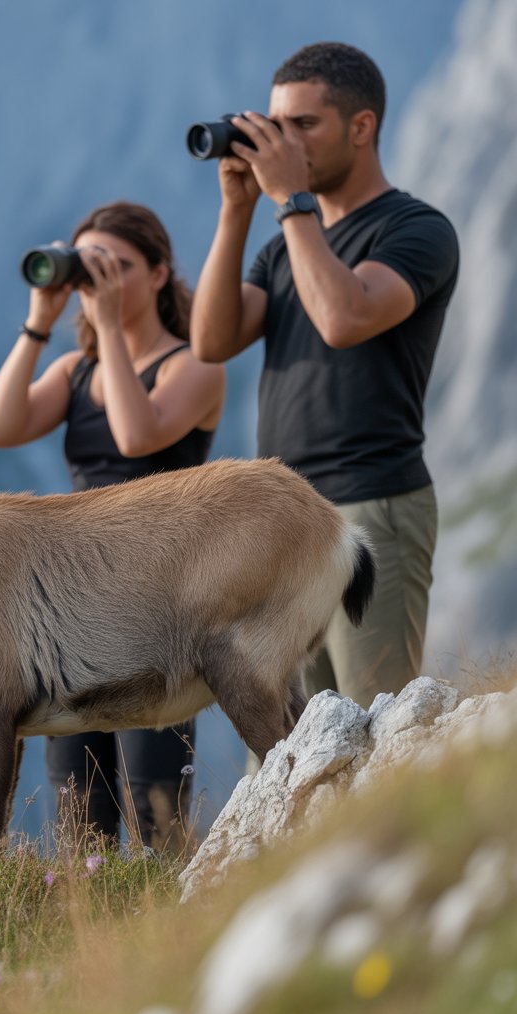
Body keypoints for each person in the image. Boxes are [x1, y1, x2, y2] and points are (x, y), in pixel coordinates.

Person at [190, 42, 460, 712]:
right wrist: (237, 208)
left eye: (304, 125)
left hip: (373, 507)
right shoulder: (284, 244)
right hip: (282, 523)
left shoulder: (417, 229)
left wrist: (289, 198)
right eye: (275, 127)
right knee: (283, 745)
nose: (284, 143)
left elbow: (345, 316)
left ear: (361, 127)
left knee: (381, 723)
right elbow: (211, 339)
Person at [0, 201, 225, 852]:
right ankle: (90, 935)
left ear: (159, 273)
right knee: (78, 812)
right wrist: (40, 323)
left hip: (157, 604)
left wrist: (111, 329)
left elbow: (137, 434)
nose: (97, 284)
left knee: (158, 811)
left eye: (114, 268)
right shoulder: (75, 372)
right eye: (87, 268)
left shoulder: (194, 365)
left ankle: (171, 925)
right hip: (74, 609)